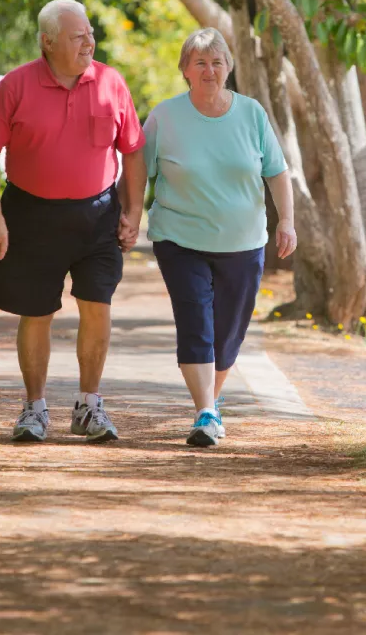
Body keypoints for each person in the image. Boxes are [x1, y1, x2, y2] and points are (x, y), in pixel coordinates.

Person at [0, 0, 147, 443]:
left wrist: (132, 211)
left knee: (98, 306)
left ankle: (89, 407)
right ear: (47, 42)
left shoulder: (111, 82)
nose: (89, 41)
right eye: (78, 36)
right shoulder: (15, 86)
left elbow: (132, 150)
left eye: (90, 33)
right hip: (31, 214)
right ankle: (34, 409)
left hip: (98, 216)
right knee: (36, 313)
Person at [140, 27, 296, 447]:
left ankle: (210, 404)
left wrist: (287, 222)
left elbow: (277, 172)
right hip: (179, 237)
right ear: (185, 70)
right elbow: (139, 172)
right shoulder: (164, 117)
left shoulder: (251, 114)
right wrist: (126, 215)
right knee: (196, 322)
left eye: (217, 62)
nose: (210, 70)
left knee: (229, 331)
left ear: (229, 68)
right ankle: (205, 411)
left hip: (243, 242)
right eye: (200, 62)